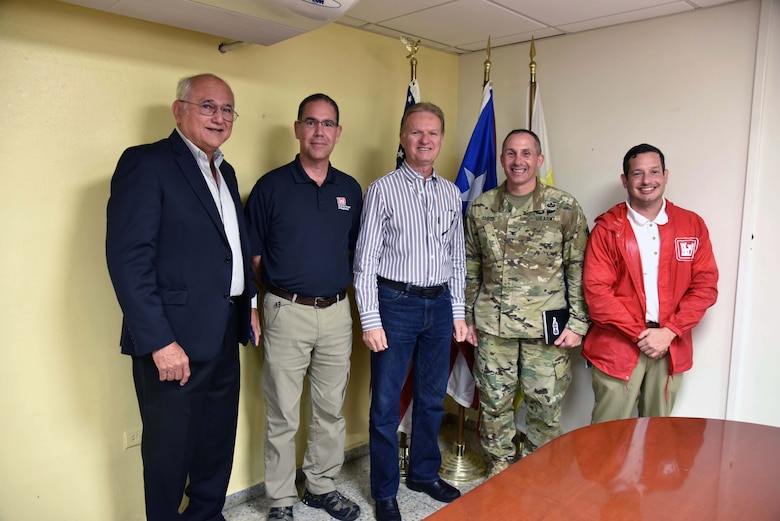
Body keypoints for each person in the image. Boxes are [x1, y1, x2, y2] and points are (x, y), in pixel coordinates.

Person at [106, 73, 260, 521]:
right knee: (169, 455)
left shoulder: (224, 171)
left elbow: (234, 244)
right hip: (172, 344)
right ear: (179, 111)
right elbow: (128, 261)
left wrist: (248, 302)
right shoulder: (147, 163)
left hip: (223, 333)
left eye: (227, 109)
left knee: (215, 445)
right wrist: (159, 342)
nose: (219, 117)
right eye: (207, 106)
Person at [243, 94, 362, 521]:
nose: (319, 132)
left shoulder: (349, 189)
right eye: (311, 122)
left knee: (330, 408)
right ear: (297, 128)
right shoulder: (270, 187)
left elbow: (352, 252)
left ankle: (321, 485)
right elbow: (253, 255)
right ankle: (280, 498)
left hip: (335, 313)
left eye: (328, 124)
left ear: (338, 133)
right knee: (283, 411)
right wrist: (279, 291)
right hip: (285, 310)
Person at [354, 102, 468, 521]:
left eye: (433, 133)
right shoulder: (382, 189)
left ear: (441, 139)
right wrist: (370, 318)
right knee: (385, 404)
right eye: (416, 132)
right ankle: (384, 491)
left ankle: (423, 473)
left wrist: (457, 311)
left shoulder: (451, 192)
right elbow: (365, 260)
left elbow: (456, 258)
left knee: (432, 398)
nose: (425, 140)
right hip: (395, 304)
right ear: (402, 138)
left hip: (439, 305)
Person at [464, 129, 590, 478]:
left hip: (546, 326)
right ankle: (500, 466)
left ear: (539, 159)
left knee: (545, 403)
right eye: (510, 153)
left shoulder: (564, 207)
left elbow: (578, 265)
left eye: (526, 153)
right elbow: (470, 263)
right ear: (502, 158)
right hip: (493, 323)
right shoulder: (481, 207)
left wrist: (579, 322)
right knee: (494, 402)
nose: (518, 161)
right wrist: (467, 314)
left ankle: (541, 469)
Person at [582, 143, 718, 423]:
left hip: (671, 346)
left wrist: (669, 331)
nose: (647, 181)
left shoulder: (691, 225)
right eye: (638, 174)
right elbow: (597, 295)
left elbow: (705, 286)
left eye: (654, 172)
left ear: (665, 175)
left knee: (659, 436)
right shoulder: (607, 229)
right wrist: (643, 336)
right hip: (617, 345)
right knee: (606, 438)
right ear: (625, 180)